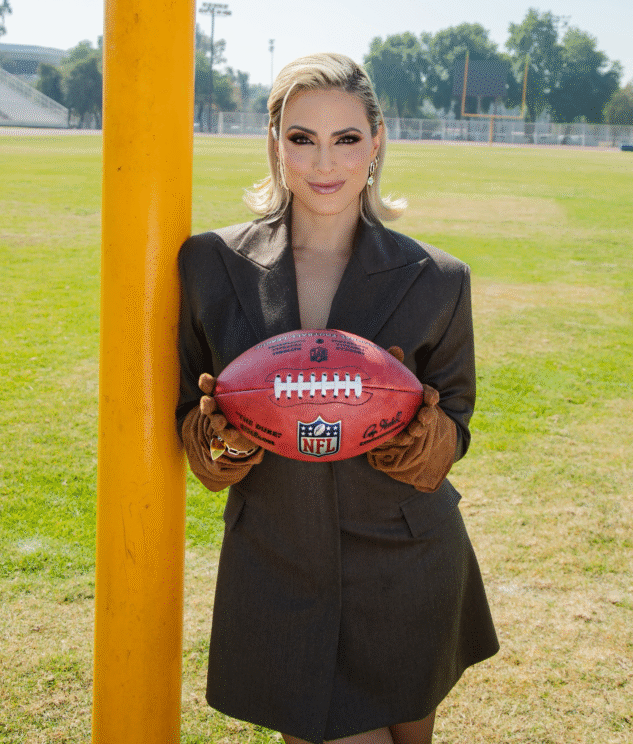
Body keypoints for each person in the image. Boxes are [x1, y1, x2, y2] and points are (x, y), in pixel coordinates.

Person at [176, 53, 499, 744]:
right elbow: (187, 408)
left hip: (407, 561)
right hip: (280, 559)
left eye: (346, 138)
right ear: (274, 142)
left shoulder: (437, 277)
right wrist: (216, 443)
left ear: (376, 141)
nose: (325, 162)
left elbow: (460, 420)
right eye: (302, 137)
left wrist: (429, 442)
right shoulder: (209, 263)